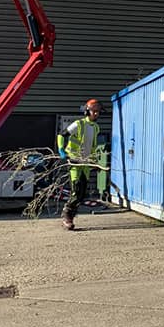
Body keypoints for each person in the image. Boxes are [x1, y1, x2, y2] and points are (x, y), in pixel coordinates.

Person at [57, 98, 104, 230]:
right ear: (87, 112)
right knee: (76, 190)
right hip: (74, 161)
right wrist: (61, 150)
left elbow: (93, 146)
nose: (96, 114)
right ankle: (67, 215)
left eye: (98, 112)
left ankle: (70, 216)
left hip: (86, 163)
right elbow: (62, 135)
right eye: (94, 111)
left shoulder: (96, 128)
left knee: (82, 193)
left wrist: (95, 161)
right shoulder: (78, 124)